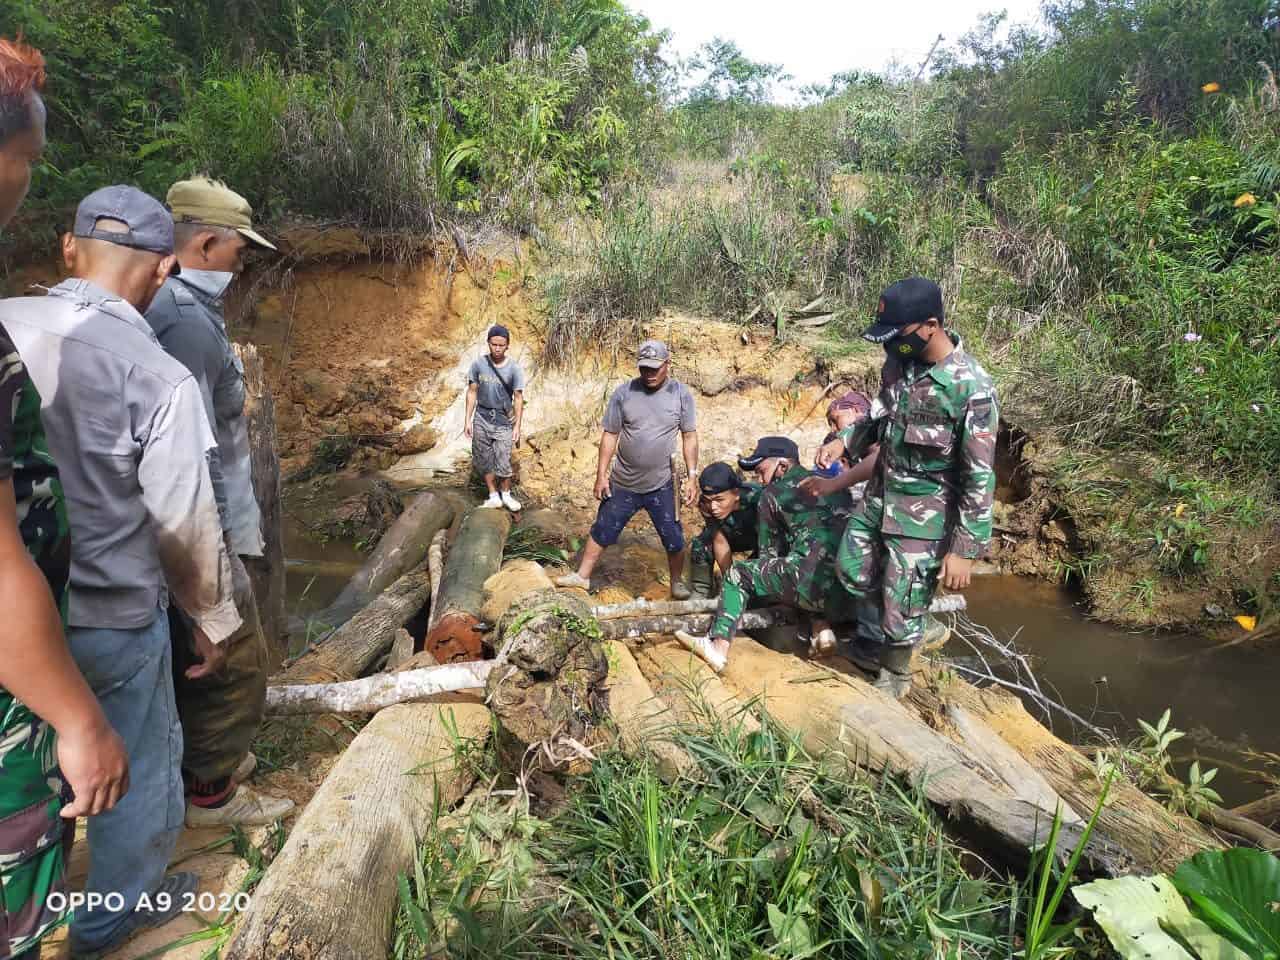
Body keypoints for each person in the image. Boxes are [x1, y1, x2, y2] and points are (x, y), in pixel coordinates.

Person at [1, 185, 244, 955]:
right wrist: (211, 621)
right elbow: (182, 524)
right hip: (110, 619)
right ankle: (113, 914)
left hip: (16, 627)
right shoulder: (158, 373)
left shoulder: (5, 323)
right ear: (165, 269)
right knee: (133, 778)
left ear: (68, 250)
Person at [0, 38, 129, 959]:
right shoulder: (154, 366)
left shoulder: (20, 316)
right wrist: (77, 718)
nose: (28, 179)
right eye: (28, 159)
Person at [144, 176, 293, 827]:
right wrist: (213, 562)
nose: (243, 262)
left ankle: (208, 760)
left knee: (214, 650)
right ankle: (211, 792)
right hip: (202, 522)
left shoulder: (188, 310)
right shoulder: (183, 322)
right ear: (206, 242)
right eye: (238, 250)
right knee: (231, 656)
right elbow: (186, 452)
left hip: (211, 516)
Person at [816, 277, 997, 698]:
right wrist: (846, 440)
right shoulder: (899, 365)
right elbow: (881, 418)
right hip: (880, 499)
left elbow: (980, 474)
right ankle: (895, 628)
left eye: (898, 334)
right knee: (852, 569)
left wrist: (964, 550)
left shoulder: (970, 387)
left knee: (904, 596)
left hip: (925, 517)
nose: (891, 343)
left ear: (930, 326)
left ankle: (893, 674)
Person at [676, 436, 854, 672]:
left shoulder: (771, 495)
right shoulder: (835, 486)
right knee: (812, 566)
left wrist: (746, 597)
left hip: (811, 580)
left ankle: (718, 648)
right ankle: (821, 628)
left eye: (761, 470)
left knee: (739, 574)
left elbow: (769, 557)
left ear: (782, 465)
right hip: (850, 589)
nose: (759, 479)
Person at [555, 340, 698, 599]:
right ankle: (582, 576)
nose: (650, 374)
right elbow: (610, 435)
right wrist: (601, 475)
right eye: (644, 368)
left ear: (668, 364)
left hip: (663, 483)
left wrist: (692, 477)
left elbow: (689, 436)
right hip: (624, 481)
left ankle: (677, 582)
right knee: (603, 528)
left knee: (673, 535)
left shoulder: (680, 394)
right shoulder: (624, 393)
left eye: (655, 368)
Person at [464, 324, 525, 511]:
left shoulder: (514, 369)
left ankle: (506, 494)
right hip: (481, 417)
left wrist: (517, 426)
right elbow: (472, 392)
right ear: (488, 343)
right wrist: (467, 420)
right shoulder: (478, 365)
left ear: (507, 346)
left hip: (503, 421)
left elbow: (518, 398)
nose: (497, 349)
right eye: (494, 344)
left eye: (501, 345)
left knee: (503, 459)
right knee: (484, 458)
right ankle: (492, 495)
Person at [688, 462, 761, 598]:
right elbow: (719, 541)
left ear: (736, 494)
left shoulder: (759, 499)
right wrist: (730, 581)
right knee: (701, 545)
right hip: (733, 536)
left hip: (763, 539)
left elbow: (773, 544)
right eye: (709, 500)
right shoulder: (706, 505)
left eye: (719, 500)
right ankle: (701, 591)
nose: (713, 506)